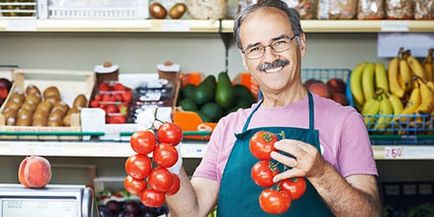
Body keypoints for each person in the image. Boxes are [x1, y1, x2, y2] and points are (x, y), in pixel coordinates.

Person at [166, 0, 381, 216]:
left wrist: (321, 173)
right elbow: (191, 212)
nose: (269, 57)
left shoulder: (345, 121)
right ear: (245, 59)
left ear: (301, 44)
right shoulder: (228, 126)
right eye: (255, 48)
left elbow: (370, 215)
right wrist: (170, 165)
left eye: (279, 43)